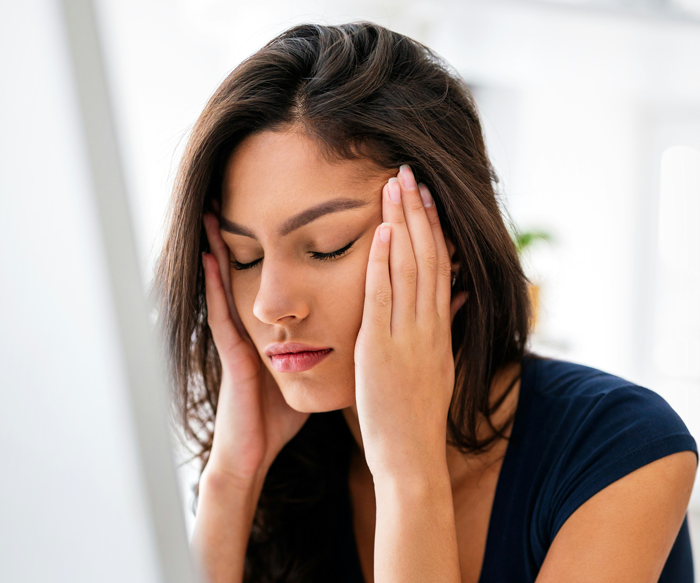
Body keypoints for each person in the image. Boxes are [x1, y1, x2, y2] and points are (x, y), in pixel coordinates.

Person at [150, 22, 698, 583]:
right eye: (245, 257)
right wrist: (231, 480)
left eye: (326, 248)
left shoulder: (619, 448)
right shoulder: (290, 473)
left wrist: (408, 474)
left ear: (450, 242)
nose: (270, 305)